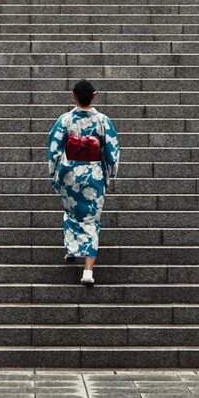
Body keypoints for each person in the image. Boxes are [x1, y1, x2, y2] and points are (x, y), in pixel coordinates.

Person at [46, 79, 120, 287]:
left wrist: (55, 175)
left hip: (70, 175)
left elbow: (53, 150)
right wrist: (110, 173)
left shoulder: (65, 120)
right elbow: (112, 151)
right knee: (90, 219)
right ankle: (88, 271)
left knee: (72, 214)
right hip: (94, 175)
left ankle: (71, 249)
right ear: (94, 96)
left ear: (74, 96)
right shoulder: (103, 121)